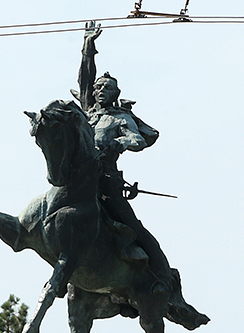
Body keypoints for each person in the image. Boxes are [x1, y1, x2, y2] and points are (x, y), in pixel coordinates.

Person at [77, 21, 173, 294]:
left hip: (106, 182)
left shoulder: (121, 118)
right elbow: (84, 77)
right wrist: (88, 46)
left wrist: (117, 142)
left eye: (105, 88)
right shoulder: (90, 111)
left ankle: (162, 277)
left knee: (133, 227)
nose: (98, 91)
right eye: (97, 88)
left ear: (115, 94)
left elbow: (139, 140)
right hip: (82, 179)